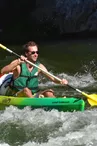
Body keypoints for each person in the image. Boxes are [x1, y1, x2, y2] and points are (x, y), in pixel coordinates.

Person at [1, 41, 68, 98]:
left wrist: (61, 81)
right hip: (16, 95)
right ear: (26, 53)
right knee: (26, 90)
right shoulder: (18, 64)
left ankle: (57, 105)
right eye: (33, 52)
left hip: (32, 95)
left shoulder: (39, 67)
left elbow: (53, 78)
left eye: (37, 52)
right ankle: (35, 106)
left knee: (49, 92)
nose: (36, 54)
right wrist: (18, 61)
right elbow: (3, 71)